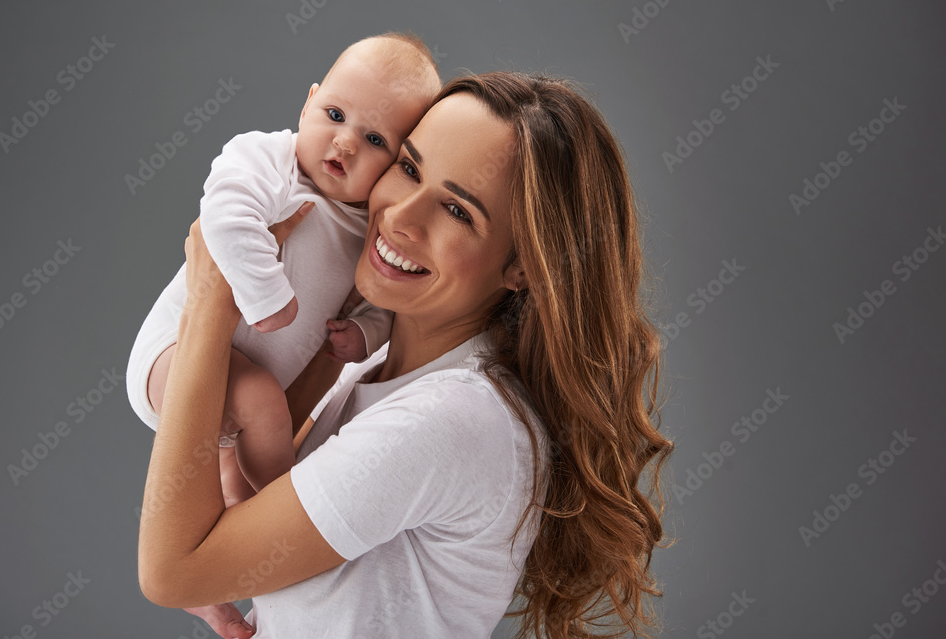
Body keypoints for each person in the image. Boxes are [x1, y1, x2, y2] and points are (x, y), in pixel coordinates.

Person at [138, 71, 675, 639]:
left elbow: (173, 572)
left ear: (524, 267)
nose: (399, 217)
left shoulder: (453, 419)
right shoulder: (381, 369)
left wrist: (210, 300)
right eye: (409, 167)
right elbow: (243, 511)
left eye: (459, 211)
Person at [125, 32, 441, 507]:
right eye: (335, 115)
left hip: (243, 408)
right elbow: (225, 215)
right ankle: (285, 505)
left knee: (237, 473)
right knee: (264, 404)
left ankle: (243, 519)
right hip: (174, 353)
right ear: (308, 103)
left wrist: (365, 333)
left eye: (374, 139)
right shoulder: (273, 162)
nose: (345, 143)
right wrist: (266, 296)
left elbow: (378, 300)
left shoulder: (369, 227)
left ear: (398, 162)